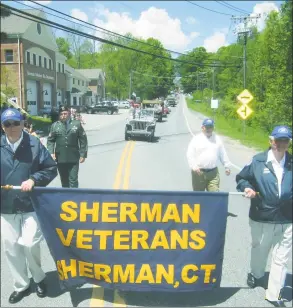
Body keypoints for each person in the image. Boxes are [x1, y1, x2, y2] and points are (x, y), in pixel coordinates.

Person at [0, 108, 57, 304]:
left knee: (31, 243)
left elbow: (50, 168)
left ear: (23, 123)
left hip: (30, 204)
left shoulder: (34, 144)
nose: (12, 128)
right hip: (6, 206)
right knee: (11, 247)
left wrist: (34, 179)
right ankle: (21, 285)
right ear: (2, 127)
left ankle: (39, 278)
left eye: (16, 123)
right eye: (7, 124)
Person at [236, 125, 292, 307]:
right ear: (271, 141)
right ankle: (256, 274)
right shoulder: (258, 161)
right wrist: (247, 188)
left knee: (281, 257)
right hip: (262, 216)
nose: (282, 144)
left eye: (286, 140)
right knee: (259, 250)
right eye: (278, 140)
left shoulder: (291, 162)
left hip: (287, 218)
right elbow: (242, 178)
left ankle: (274, 294)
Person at [47, 105, 88, 188]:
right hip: (60, 157)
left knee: (73, 180)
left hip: (73, 157)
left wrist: (83, 154)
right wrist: (51, 153)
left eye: (65, 113)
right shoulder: (55, 126)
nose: (63, 116)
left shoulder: (76, 124)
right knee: (64, 180)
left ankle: (75, 197)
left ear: (69, 113)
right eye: (61, 114)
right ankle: (66, 198)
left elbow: (83, 140)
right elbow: (50, 140)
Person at [186, 118, 231, 191]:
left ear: (213, 128)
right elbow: (190, 154)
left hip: (213, 173)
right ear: (202, 127)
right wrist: (194, 166)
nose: (208, 129)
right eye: (207, 127)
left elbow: (222, 153)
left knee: (214, 195)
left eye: (210, 127)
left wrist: (227, 166)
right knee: (198, 196)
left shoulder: (217, 139)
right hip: (199, 173)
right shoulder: (196, 139)